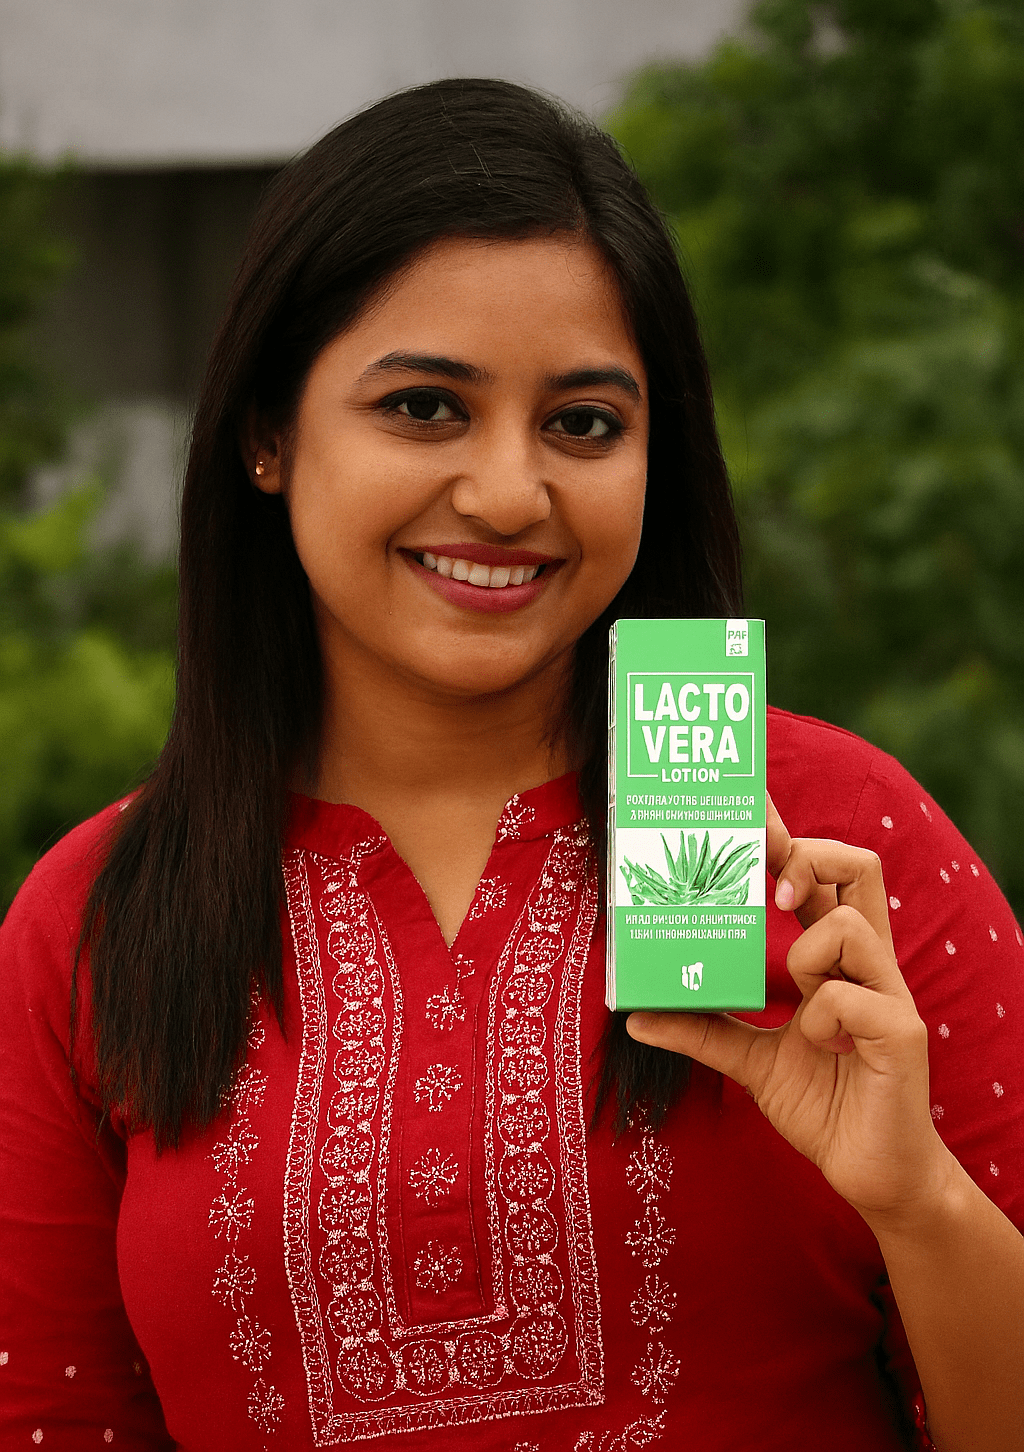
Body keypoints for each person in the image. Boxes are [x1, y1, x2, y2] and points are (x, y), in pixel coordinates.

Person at [1, 79, 1021, 1452]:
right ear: (265, 433)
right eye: (425, 408)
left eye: (584, 424)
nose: (506, 492)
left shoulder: (826, 845)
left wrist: (924, 1206)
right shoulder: (95, 923)